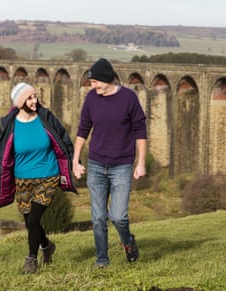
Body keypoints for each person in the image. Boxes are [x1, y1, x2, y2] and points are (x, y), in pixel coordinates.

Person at [0, 82, 77, 274]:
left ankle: (31, 260)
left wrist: (73, 163)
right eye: (29, 98)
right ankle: (46, 246)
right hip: (22, 179)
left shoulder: (46, 118)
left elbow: (64, 141)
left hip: (48, 175)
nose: (34, 100)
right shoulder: (10, 125)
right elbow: (2, 156)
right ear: (20, 101)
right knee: (31, 222)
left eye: (35, 96)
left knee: (33, 221)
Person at [72, 58, 147, 268]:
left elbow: (140, 131)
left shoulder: (128, 98)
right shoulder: (91, 99)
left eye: (95, 82)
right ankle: (102, 260)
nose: (92, 85)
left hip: (121, 166)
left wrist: (140, 163)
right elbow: (83, 129)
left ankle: (128, 242)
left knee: (118, 216)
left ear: (107, 80)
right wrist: (75, 159)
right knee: (98, 217)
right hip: (96, 164)